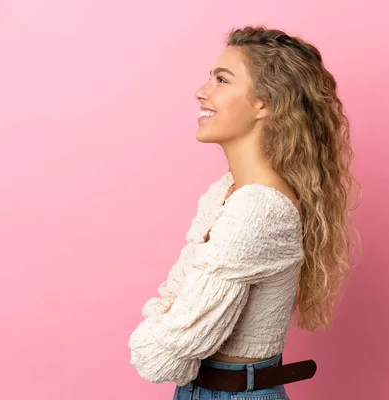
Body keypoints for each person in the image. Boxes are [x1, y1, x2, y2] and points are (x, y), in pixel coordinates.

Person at [128, 25, 361, 399]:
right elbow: (177, 298)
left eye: (221, 79)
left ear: (264, 103)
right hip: (200, 390)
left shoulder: (260, 209)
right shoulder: (225, 193)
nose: (202, 91)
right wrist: (175, 320)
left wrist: (170, 327)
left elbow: (164, 354)